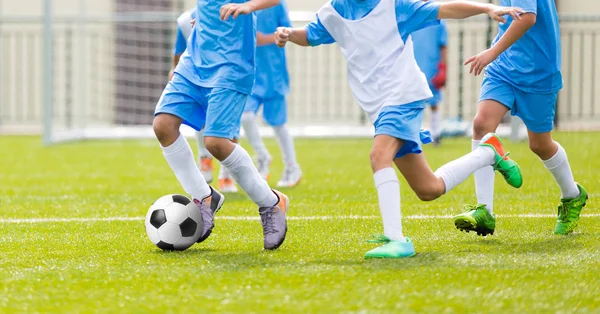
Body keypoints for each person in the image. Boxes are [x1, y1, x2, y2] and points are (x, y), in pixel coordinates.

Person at [274, 0, 524, 258]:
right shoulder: (333, 11)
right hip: (379, 107)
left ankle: (396, 239)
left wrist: (486, 9)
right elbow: (312, 35)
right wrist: (289, 34)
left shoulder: (395, 6)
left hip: (403, 96)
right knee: (429, 189)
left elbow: (445, 8)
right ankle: (488, 153)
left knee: (378, 155)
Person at [153, 0, 289, 250]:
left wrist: (249, 6)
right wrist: (202, 19)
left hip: (232, 64)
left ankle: (271, 202)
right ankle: (204, 196)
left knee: (215, 142)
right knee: (163, 125)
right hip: (194, 60)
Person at [454, 0, 588, 236]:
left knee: (540, 144)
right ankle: (485, 211)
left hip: (538, 73)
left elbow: (527, 17)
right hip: (503, 69)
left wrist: (490, 52)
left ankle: (572, 195)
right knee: (482, 125)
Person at [169, 8, 239, 193]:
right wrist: (175, 72)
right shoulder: (185, 20)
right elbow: (178, 52)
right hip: (198, 77)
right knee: (201, 122)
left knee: (229, 127)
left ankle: (226, 175)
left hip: (226, 76)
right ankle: (204, 158)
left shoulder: (233, 13)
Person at [241, 0, 302, 187]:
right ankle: (262, 155)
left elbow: (288, 32)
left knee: (278, 124)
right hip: (251, 72)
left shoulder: (277, 4)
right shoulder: (243, 3)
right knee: (245, 116)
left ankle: (292, 167)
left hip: (274, 73)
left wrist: (264, 39)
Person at [411, 19, 447, 145]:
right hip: (414, 65)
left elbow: (443, 46)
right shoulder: (412, 17)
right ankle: (413, 135)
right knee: (412, 102)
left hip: (432, 66)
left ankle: (436, 134)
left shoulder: (438, 21)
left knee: (434, 102)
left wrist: (443, 67)